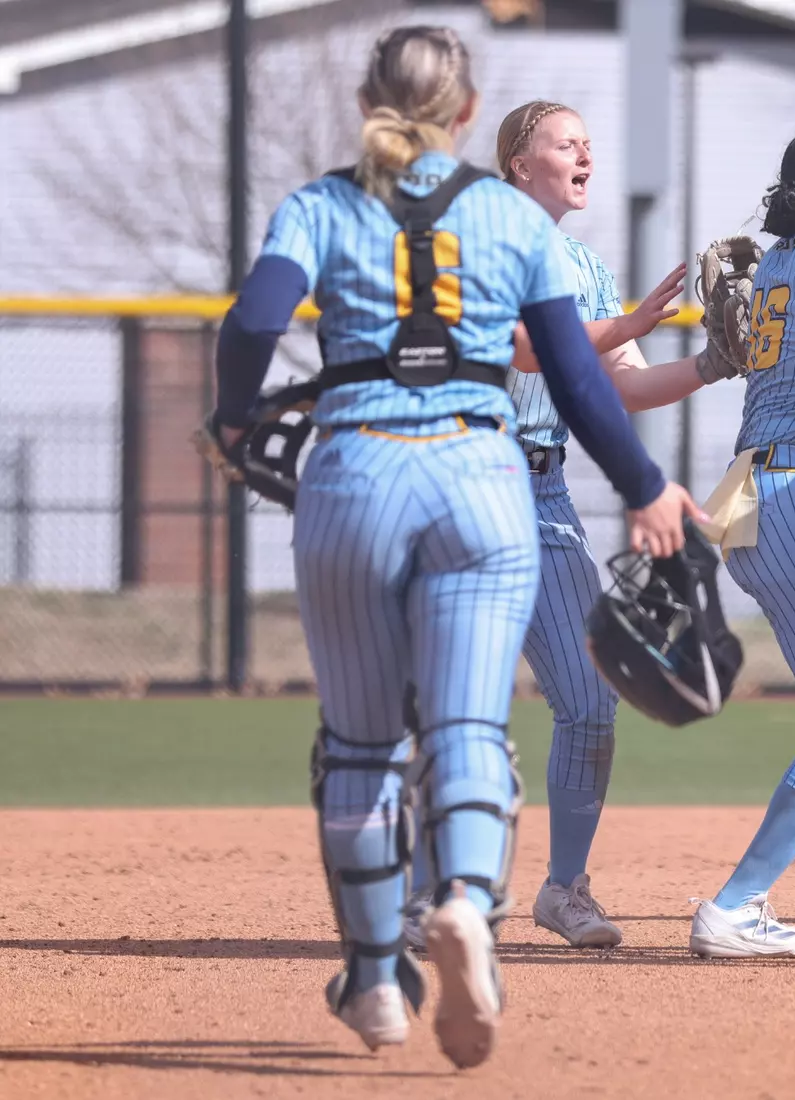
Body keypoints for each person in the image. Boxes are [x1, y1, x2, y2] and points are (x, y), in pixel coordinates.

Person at [208, 26, 700, 1064]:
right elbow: (573, 373)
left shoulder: (324, 202)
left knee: (363, 739)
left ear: (367, 103)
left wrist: (230, 417)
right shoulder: (500, 215)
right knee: (471, 725)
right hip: (482, 478)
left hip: (356, 472)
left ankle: (380, 972)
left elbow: (253, 319)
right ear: (469, 116)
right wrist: (645, 485)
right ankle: (471, 903)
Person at [404, 100, 739, 952]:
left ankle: (564, 887)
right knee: (451, 701)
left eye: (590, 143)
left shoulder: (585, 267)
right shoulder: (482, 236)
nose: (585, 152)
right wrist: (624, 326)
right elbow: (523, 347)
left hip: (544, 497)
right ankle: (417, 897)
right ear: (520, 163)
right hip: (467, 486)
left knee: (591, 700)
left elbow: (621, 387)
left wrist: (712, 363)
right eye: (566, 142)